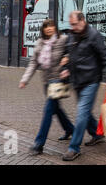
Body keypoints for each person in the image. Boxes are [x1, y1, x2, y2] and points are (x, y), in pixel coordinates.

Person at [60, 11, 106, 161]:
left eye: (75, 24)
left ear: (83, 21)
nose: (73, 27)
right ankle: (97, 134)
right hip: (77, 81)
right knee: (85, 112)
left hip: (91, 80)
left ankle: (74, 148)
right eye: (71, 24)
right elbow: (67, 56)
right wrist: (65, 69)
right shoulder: (71, 35)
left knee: (82, 112)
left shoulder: (94, 35)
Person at [19, 19, 74, 156]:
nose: (49, 29)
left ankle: (39, 144)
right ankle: (70, 129)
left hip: (58, 80)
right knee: (56, 109)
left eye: (51, 26)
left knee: (48, 110)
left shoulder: (63, 39)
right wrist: (25, 79)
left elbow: (73, 51)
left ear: (55, 28)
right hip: (46, 82)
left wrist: (66, 58)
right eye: (46, 27)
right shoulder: (40, 43)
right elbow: (33, 63)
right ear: (43, 29)